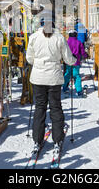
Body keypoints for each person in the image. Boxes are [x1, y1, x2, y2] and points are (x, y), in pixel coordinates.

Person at [26, 11, 77, 153]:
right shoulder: (59, 38)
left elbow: (29, 58)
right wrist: (73, 61)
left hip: (38, 78)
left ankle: (37, 139)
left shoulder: (34, 37)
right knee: (55, 108)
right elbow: (68, 58)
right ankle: (58, 140)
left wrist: (37, 63)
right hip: (54, 79)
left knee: (40, 108)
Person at [63, 30, 88, 97]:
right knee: (76, 76)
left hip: (68, 61)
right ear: (76, 35)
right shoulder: (78, 42)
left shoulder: (66, 42)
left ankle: (64, 88)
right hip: (76, 62)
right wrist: (85, 55)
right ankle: (79, 90)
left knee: (67, 75)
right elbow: (82, 52)